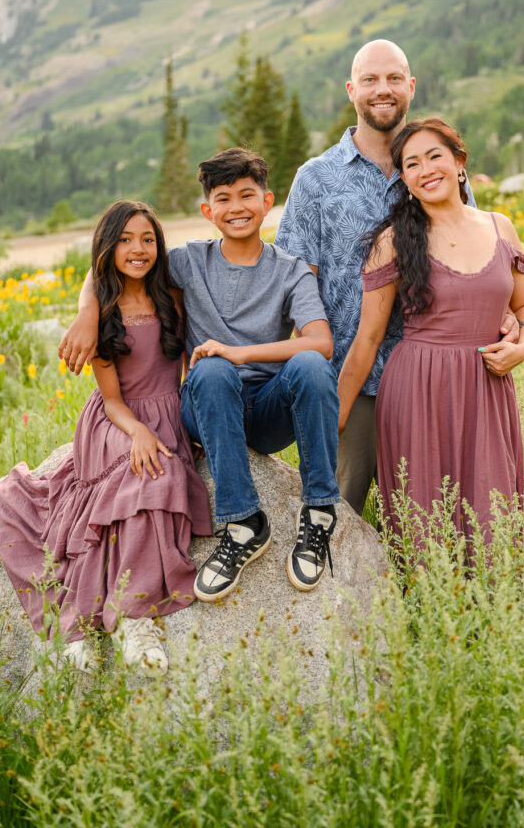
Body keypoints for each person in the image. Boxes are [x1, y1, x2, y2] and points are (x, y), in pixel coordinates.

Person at [59, 148, 340, 602]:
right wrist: (88, 311)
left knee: (310, 364)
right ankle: (245, 522)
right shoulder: (189, 261)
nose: (237, 208)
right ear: (209, 211)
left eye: (247, 195)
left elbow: (321, 342)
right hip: (206, 407)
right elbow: (117, 259)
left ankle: (319, 513)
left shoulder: (290, 270)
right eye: (224, 199)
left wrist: (240, 353)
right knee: (211, 371)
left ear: (268, 202)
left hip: (267, 412)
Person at [275, 38, 518, 517]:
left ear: (410, 86)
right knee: (335, 517)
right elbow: (294, 284)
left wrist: (508, 314)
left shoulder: (439, 171)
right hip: (353, 381)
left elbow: (473, 258)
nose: (381, 90)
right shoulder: (316, 178)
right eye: (369, 79)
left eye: (392, 79)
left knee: (444, 516)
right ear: (352, 90)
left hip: (447, 381)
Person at [0, 201, 213, 675]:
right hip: (115, 419)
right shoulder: (103, 313)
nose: (138, 249)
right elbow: (112, 400)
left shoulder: (171, 295)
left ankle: (128, 614)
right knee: (147, 474)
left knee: (160, 475)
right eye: (126, 240)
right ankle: (125, 618)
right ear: (108, 247)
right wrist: (137, 432)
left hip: (169, 411)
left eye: (148, 239)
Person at [337, 117, 524, 547]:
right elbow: (368, 340)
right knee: (426, 526)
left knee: (495, 521)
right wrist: (332, 418)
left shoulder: (501, 226)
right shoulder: (392, 241)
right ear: (404, 179)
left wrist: (523, 344)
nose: (426, 169)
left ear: (459, 162)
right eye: (412, 164)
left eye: (435, 156)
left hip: (488, 391)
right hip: (418, 394)